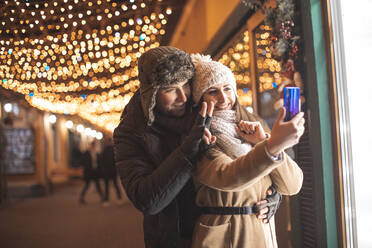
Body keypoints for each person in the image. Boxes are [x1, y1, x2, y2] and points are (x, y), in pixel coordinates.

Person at [113, 46, 281, 248]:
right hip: (175, 238)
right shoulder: (131, 131)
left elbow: (251, 151)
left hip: (220, 233)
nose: (182, 97)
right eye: (169, 89)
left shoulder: (203, 103)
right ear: (151, 94)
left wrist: (271, 193)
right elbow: (147, 200)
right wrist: (189, 149)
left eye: (185, 85)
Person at [189, 54, 305, 248]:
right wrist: (271, 146)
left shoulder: (253, 127)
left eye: (227, 88)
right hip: (224, 235)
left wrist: (263, 141)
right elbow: (228, 176)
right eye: (213, 91)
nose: (223, 98)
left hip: (261, 231)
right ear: (200, 98)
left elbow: (293, 185)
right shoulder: (199, 136)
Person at [99, 137, 122, 206]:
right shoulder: (114, 150)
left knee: (107, 186)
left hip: (107, 171)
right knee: (115, 185)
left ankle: (107, 200)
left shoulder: (104, 150)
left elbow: (101, 161)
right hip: (112, 170)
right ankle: (119, 198)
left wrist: (103, 169)